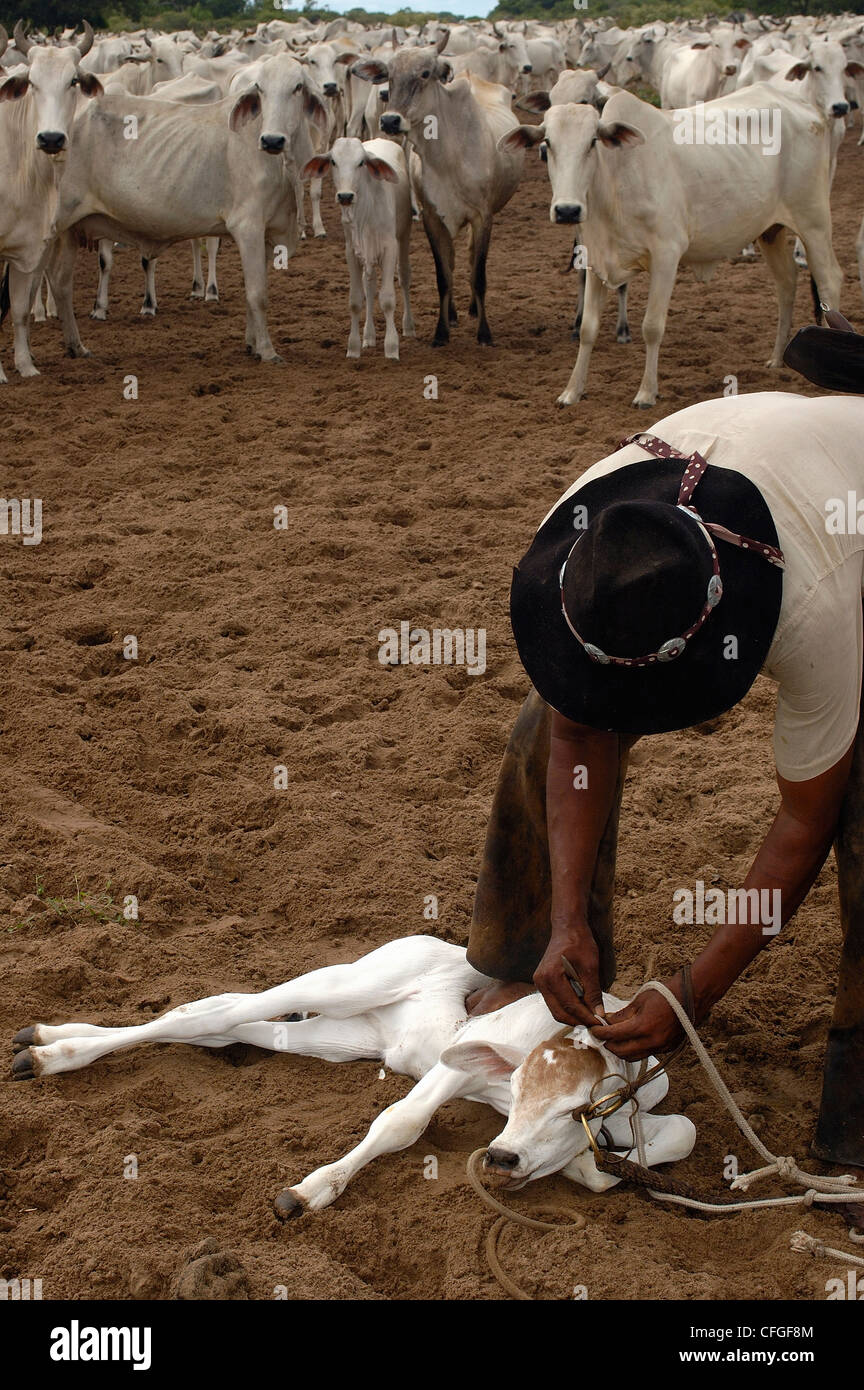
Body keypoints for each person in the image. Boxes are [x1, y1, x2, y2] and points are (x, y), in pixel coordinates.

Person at [465, 374, 864, 1183]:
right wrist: (565, 919)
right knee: (542, 724)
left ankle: (857, 1122)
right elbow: (580, 727)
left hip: (843, 522)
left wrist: (695, 992)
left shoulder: (817, 604)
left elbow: (805, 820)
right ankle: (525, 958)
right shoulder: (587, 536)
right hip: (774, 461)